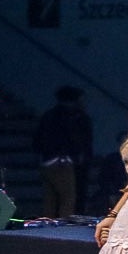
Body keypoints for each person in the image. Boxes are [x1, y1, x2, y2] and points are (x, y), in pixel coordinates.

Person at [34, 86, 93, 216]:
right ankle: (65, 223)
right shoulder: (76, 118)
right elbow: (80, 141)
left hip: (48, 161)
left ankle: (49, 223)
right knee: (68, 197)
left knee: (50, 199)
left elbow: (38, 140)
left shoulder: (48, 116)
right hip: (65, 161)